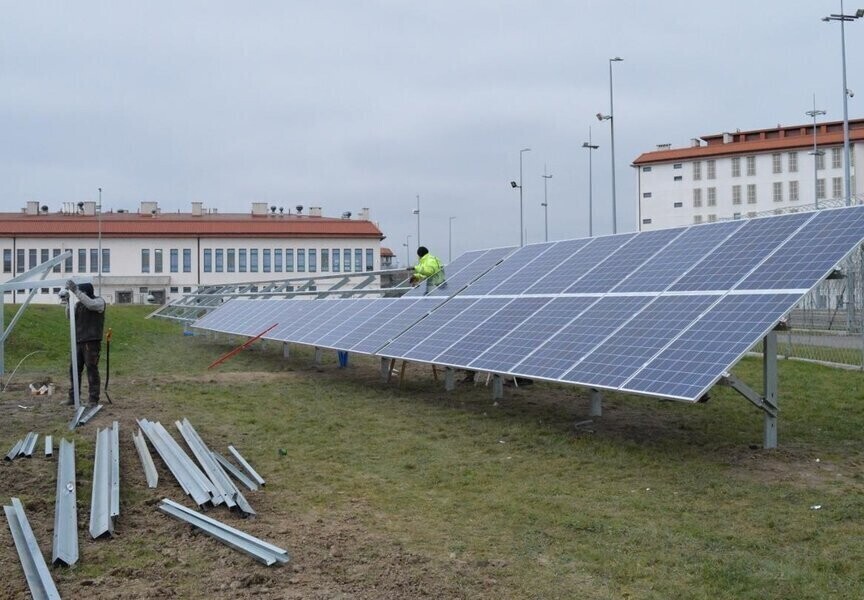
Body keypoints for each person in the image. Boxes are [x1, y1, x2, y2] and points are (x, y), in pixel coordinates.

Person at [63, 280, 106, 406]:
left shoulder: (99, 302)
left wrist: (76, 290)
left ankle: (93, 399)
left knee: (91, 369)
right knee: (74, 370)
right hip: (78, 340)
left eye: (80, 292)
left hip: (91, 342)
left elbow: (90, 304)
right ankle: (73, 398)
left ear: (85, 292)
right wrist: (68, 301)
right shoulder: (79, 305)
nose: (78, 294)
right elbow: (68, 316)